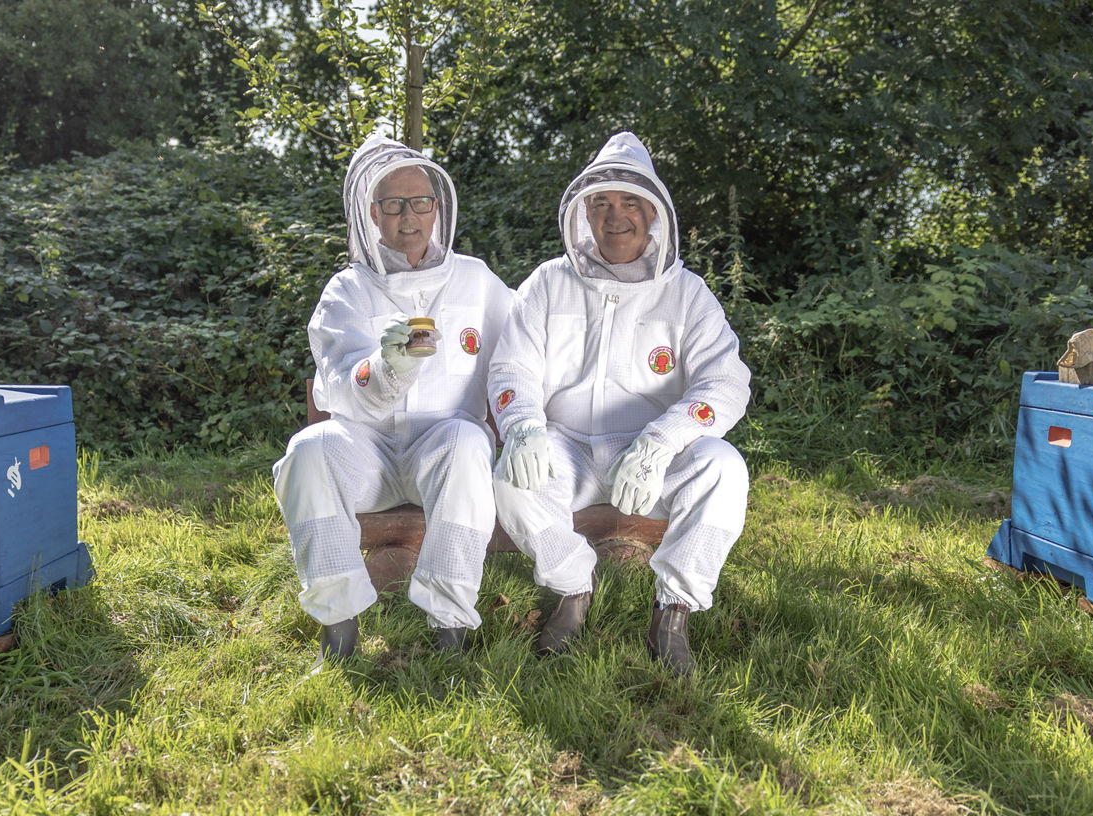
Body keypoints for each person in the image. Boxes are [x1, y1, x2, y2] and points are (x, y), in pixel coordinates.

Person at [488, 131, 751, 675]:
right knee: (510, 480)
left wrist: (660, 442)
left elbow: (726, 384)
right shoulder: (547, 283)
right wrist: (521, 427)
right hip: (567, 450)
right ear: (583, 213)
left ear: (655, 214)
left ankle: (673, 609)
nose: (616, 217)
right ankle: (572, 588)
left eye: (631, 203)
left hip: (656, 454)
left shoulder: (688, 294)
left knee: (726, 469)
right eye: (602, 203)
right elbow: (513, 366)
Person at [273, 134, 512, 664]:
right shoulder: (347, 291)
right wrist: (385, 369)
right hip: (369, 454)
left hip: (444, 455)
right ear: (370, 215)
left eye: (421, 201)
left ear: (438, 207)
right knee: (307, 451)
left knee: (468, 441)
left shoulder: (476, 281)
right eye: (393, 204)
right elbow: (335, 382)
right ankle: (338, 625)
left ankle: (450, 623)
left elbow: (527, 350)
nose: (410, 216)